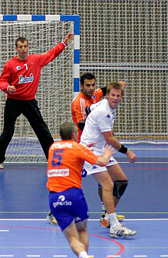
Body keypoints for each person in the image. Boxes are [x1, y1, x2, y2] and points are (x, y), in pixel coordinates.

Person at [0, 32, 74, 169]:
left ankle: (52, 158)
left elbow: (51, 54)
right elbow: (2, 81)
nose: (23, 49)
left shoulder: (36, 60)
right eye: (20, 47)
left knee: (42, 129)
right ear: (16, 49)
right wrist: (7, 88)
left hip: (29, 102)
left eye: (25, 46)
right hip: (13, 102)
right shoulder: (10, 64)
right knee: (8, 131)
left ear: (28, 47)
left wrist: (64, 42)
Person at [47, 121, 115, 258]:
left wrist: (82, 148)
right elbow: (101, 162)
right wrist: (106, 154)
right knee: (82, 230)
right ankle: (85, 255)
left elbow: (68, 153)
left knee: (72, 238)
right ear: (74, 135)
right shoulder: (78, 148)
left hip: (54, 198)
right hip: (73, 195)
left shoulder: (52, 147)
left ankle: (83, 255)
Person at [80, 81, 136, 238]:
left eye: (118, 96)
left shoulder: (103, 105)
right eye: (113, 95)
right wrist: (128, 152)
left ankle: (107, 216)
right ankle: (114, 226)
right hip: (91, 151)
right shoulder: (105, 111)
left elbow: (88, 109)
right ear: (107, 95)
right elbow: (110, 138)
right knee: (107, 184)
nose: (116, 98)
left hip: (102, 149)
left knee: (122, 181)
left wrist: (87, 124)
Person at [70, 72, 126, 226]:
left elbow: (105, 90)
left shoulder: (96, 94)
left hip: (98, 146)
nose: (91, 88)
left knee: (106, 182)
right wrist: (102, 124)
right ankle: (55, 212)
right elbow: (82, 123)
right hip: (84, 145)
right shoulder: (78, 103)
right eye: (87, 85)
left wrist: (118, 85)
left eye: (93, 85)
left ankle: (107, 212)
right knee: (73, 181)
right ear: (81, 86)